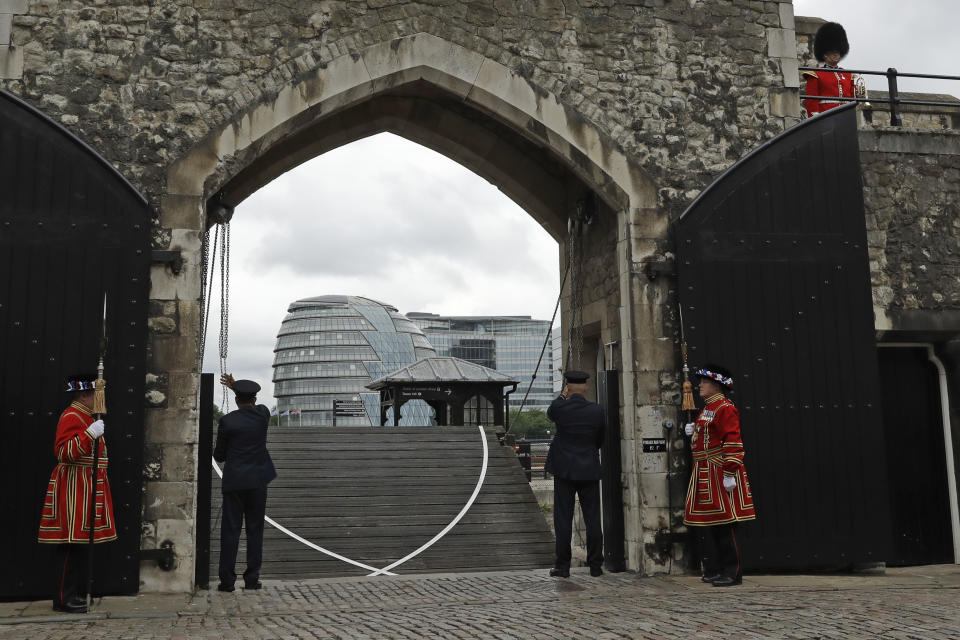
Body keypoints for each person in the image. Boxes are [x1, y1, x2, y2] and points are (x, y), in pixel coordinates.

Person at [37, 373, 117, 613]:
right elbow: (64, 453)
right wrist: (89, 434)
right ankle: (64, 598)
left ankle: (74, 593)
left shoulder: (85, 416)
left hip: (88, 485)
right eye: (96, 395)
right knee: (71, 545)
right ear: (85, 394)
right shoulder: (73, 416)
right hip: (75, 485)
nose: (99, 400)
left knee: (80, 545)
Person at [682, 363, 756, 587]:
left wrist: (730, 471)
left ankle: (733, 573)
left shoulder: (725, 407)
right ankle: (717, 569)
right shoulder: (707, 408)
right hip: (705, 469)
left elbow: (732, 440)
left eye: (704, 382)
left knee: (726, 525)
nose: (700, 386)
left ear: (716, 385)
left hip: (719, 469)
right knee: (712, 524)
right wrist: (693, 431)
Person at [214, 374, 277, 592]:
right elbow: (252, 406)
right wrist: (236, 388)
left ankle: (227, 581)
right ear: (256, 398)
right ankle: (252, 579)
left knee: (230, 531)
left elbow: (219, 456)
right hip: (258, 481)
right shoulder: (262, 416)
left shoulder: (227, 422)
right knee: (254, 530)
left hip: (234, 483)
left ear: (236, 399)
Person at [545, 370, 605, 578]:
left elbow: (550, 412)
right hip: (588, 468)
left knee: (563, 519)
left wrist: (563, 396)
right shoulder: (596, 410)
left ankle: (563, 566)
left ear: (568, 388)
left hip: (564, 469)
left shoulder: (561, 407)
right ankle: (596, 565)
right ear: (586, 388)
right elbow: (600, 439)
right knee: (593, 519)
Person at [802, 22, 854, 116]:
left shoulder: (848, 75)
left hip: (846, 116)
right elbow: (811, 100)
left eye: (838, 52)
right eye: (832, 51)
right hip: (826, 115)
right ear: (825, 54)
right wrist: (816, 117)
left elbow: (853, 99)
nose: (836, 54)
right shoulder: (816, 74)